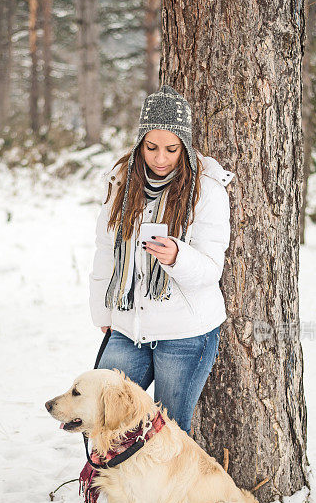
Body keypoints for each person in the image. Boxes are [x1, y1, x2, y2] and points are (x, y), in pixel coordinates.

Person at [89, 84, 234, 434]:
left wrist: (176, 256)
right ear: (140, 144)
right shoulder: (121, 185)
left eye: (171, 149)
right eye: (151, 147)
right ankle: (113, 488)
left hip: (185, 332)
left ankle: (163, 492)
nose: (160, 158)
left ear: (184, 146)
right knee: (104, 423)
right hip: (127, 326)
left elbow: (211, 269)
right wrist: (103, 313)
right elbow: (106, 253)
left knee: (168, 434)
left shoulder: (207, 191)